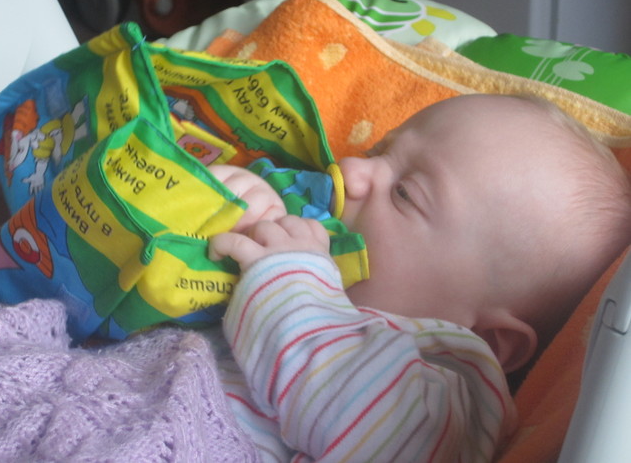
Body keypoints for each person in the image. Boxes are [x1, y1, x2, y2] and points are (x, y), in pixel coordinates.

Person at [205, 94, 631, 462]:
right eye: (376, 151)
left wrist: (290, 283)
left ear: (490, 339)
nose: (350, 168)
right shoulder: (298, 253)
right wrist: (232, 210)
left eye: (405, 193)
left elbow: (364, 420)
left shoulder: (447, 393)